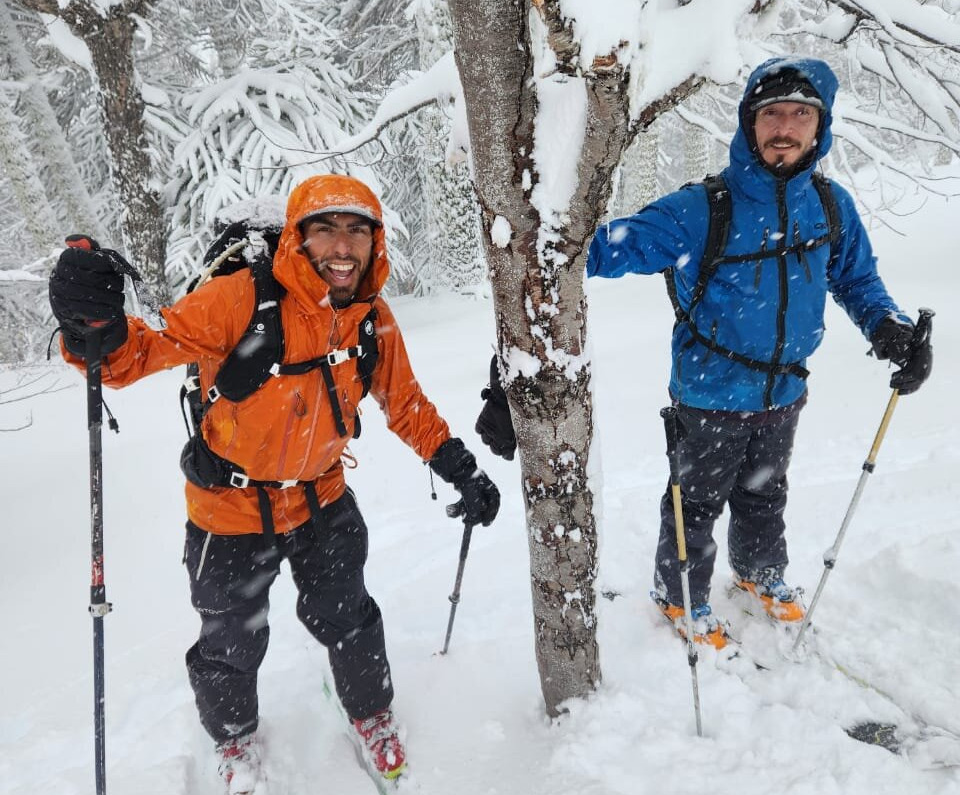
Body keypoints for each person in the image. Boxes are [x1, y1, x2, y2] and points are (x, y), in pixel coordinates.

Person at [49, 174, 501, 793]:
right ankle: (234, 740)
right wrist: (91, 324)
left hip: (323, 499)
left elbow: (405, 403)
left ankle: (369, 714)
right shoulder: (237, 300)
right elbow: (137, 356)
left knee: (351, 618)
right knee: (230, 644)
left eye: (356, 232)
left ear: (375, 242)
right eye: (326, 230)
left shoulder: (372, 318)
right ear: (298, 237)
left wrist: (457, 464)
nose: (342, 248)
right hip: (229, 509)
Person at [476, 57, 931, 650]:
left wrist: (889, 329)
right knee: (694, 505)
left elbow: (856, 280)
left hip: (785, 391)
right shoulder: (706, 208)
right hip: (710, 393)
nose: (785, 127)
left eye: (801, 114)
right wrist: (535, 243)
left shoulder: (831, 205)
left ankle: (759, 573)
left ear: (819, 127)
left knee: (765, 492)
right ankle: (680, 597)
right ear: (749, 124)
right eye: (772, 113)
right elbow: (605, 249)